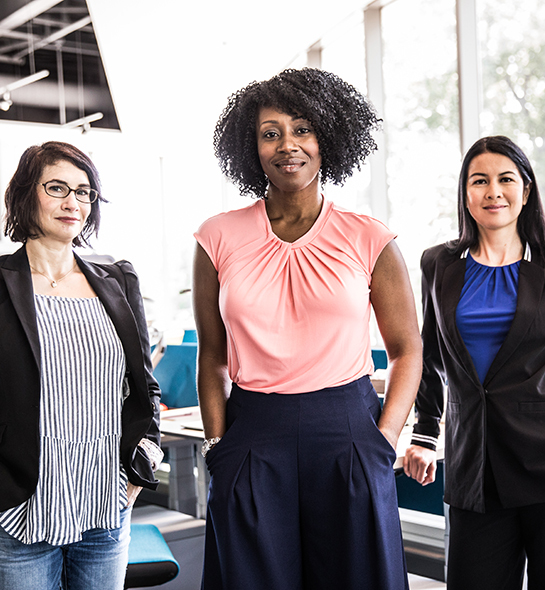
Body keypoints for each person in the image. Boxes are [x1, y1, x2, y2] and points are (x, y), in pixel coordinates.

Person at [193, 68, 422, 590]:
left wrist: (384, 440)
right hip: (252, 431)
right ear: (251, 147)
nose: (287, 145)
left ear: (328, 138)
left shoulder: (369, 237)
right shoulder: (216, 236)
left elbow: (408, 350)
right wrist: (216, 445)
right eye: (270, 133)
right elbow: (213, 356)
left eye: (302, 129)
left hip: (348, 430)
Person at [0, 141, 163, 590]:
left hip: (106, 502)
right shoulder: (2, 283)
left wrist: (139, 469)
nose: (73, 202)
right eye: (57, 188)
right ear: (24, 194)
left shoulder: (118, 279)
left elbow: (143, 389)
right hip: (20, 508)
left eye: (85, 191)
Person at [403, 135, 545, 590]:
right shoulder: (439, 264)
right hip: (473, 466)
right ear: (465, 193)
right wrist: (424, 435)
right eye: (479, 181)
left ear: (526, 189)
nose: (493, 192)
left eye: (506, 179)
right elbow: (427, 355)